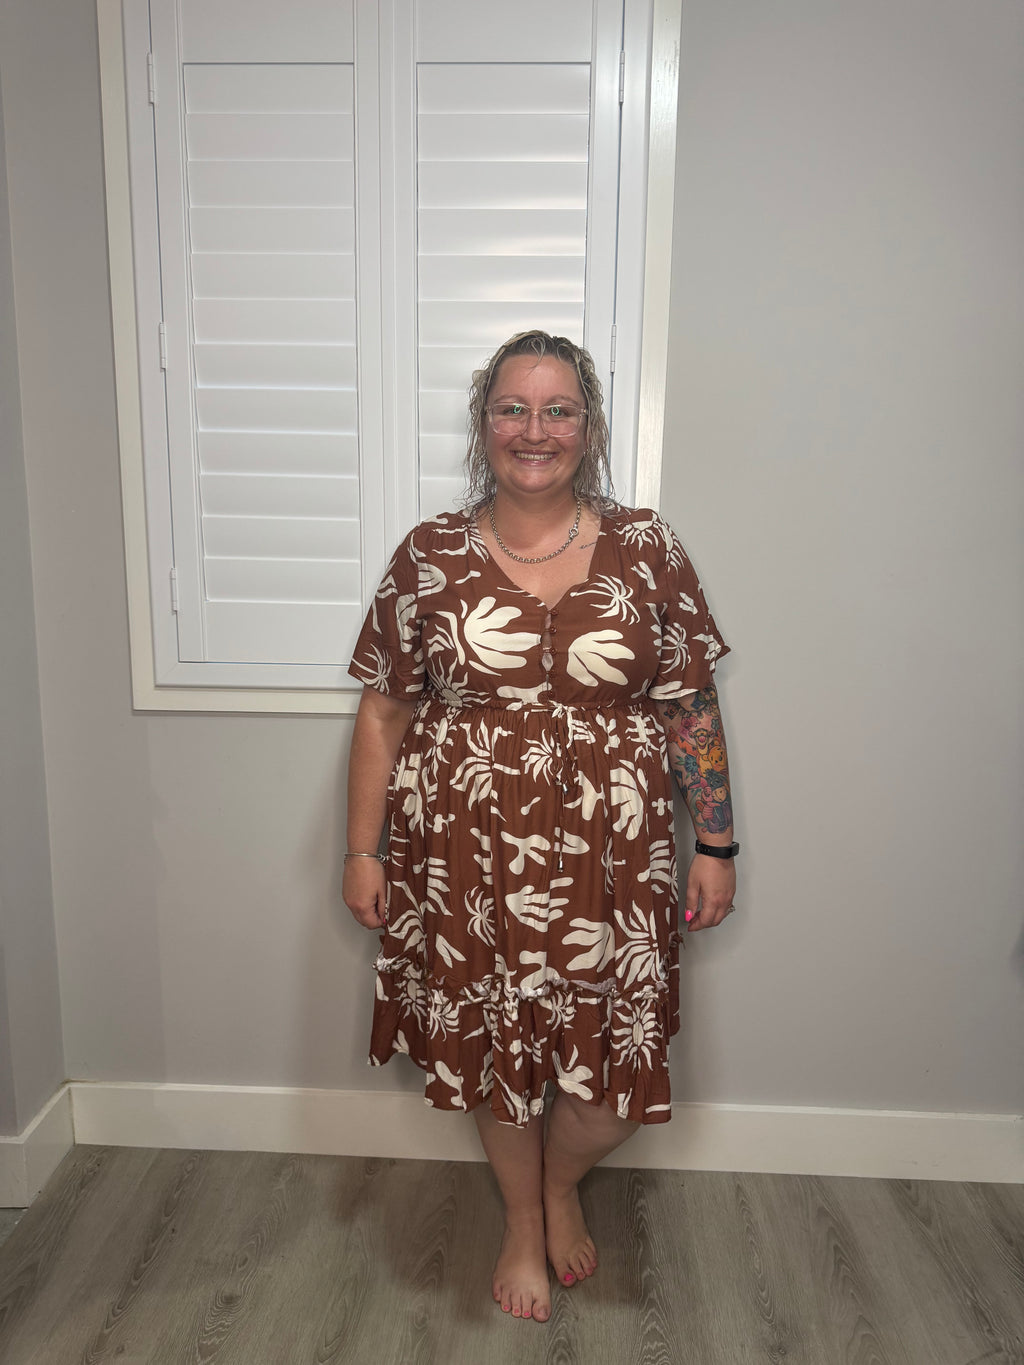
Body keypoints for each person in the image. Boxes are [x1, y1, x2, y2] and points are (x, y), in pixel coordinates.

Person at [343, 330, 737, 1323]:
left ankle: (560, 1182)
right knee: (496, 1052)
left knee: (606, 1083)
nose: (535, 430)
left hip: (617, 859)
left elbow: (689, 706)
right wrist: (360, 851)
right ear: (484, 426)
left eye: (558, 410)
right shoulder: (428, 554)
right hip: (464, 857)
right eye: (513, 409)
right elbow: (383, 711)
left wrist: (717, 844)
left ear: (588, 428)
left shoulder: (649, 547)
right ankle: (525, 1216)